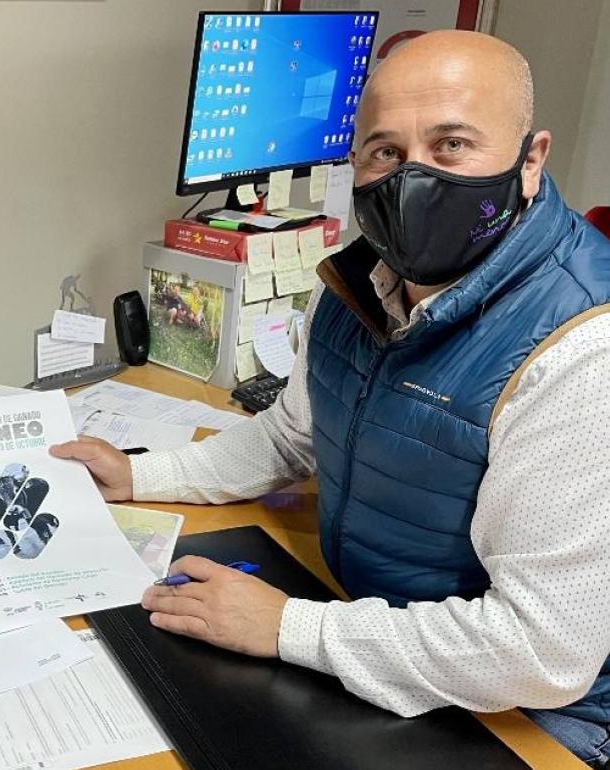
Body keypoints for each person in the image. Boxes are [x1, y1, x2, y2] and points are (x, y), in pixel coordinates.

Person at [52, 31, 610, 767]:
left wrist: (290, 629)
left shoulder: (579, 350)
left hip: (527, 717)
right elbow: (291, 437)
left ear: (530, 160)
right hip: (367, 638)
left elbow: (542, 651)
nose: (412, 179)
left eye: (451, 146)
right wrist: (141, 474)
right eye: (385, 152)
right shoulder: (356, 285)